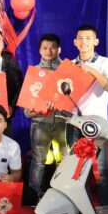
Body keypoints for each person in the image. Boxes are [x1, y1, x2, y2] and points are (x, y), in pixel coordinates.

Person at [69, 24, 108, 205]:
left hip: (97, 123)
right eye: (80, 38)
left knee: (101, 171)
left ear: (96, 41)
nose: (84, 42)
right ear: (75, 42)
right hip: (73, 122)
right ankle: (81, 213)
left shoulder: (105, 62)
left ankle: (107, 212)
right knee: (76, 171)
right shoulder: (69, 65)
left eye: (88, 38)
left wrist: (90, 70)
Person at [24, 33, 67, 197]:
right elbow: (27, 103)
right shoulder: (34, 72)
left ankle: (63, 194)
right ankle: (34, 195)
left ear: (59, 49)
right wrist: (29, 111)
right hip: (40, 122)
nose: (49, 51)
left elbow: (75, 98)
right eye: (45, 48)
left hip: (63, 122)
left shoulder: (67, 70)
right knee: (38, 161)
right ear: (40, 50)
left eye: (53, 47)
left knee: (64, 161)